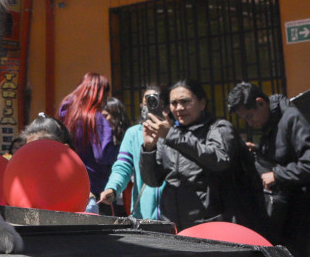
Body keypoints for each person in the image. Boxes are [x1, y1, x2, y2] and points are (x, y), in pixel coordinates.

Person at [139, 79, 266, 232]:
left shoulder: (218, 128)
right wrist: (148, 149)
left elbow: (220, 160)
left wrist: (173, 136)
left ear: (202, 103)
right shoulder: (168, 134)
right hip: (174, 226)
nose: (179, 108)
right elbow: (153, 180)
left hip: (212, 224)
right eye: (174, 103)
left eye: (185, 102)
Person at [227, 82, 310, 256]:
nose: (250, 122)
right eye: (245, 119)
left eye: (250, 116)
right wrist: (258, 150)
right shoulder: (271, 123)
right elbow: (284, 155)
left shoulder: (291, 118)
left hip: (302, 213)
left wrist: (277, 175)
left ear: (260, 102)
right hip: (288, 214)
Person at [99, 85, 164, 220]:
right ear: (141, 105)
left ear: (166, 105)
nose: (151, 106)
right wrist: (112, 188)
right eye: (147, 103)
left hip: (174, 215)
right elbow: (123, 166)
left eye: (156, 101)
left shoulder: (175, 133)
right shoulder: (133, 134)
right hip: (143, 216)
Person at [58, 73, 118, 214]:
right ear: (99, 94)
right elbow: (103, 154)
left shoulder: (67, 115)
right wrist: (120, 150)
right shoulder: (95, 118)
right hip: (95, 190)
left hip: (69, 185)